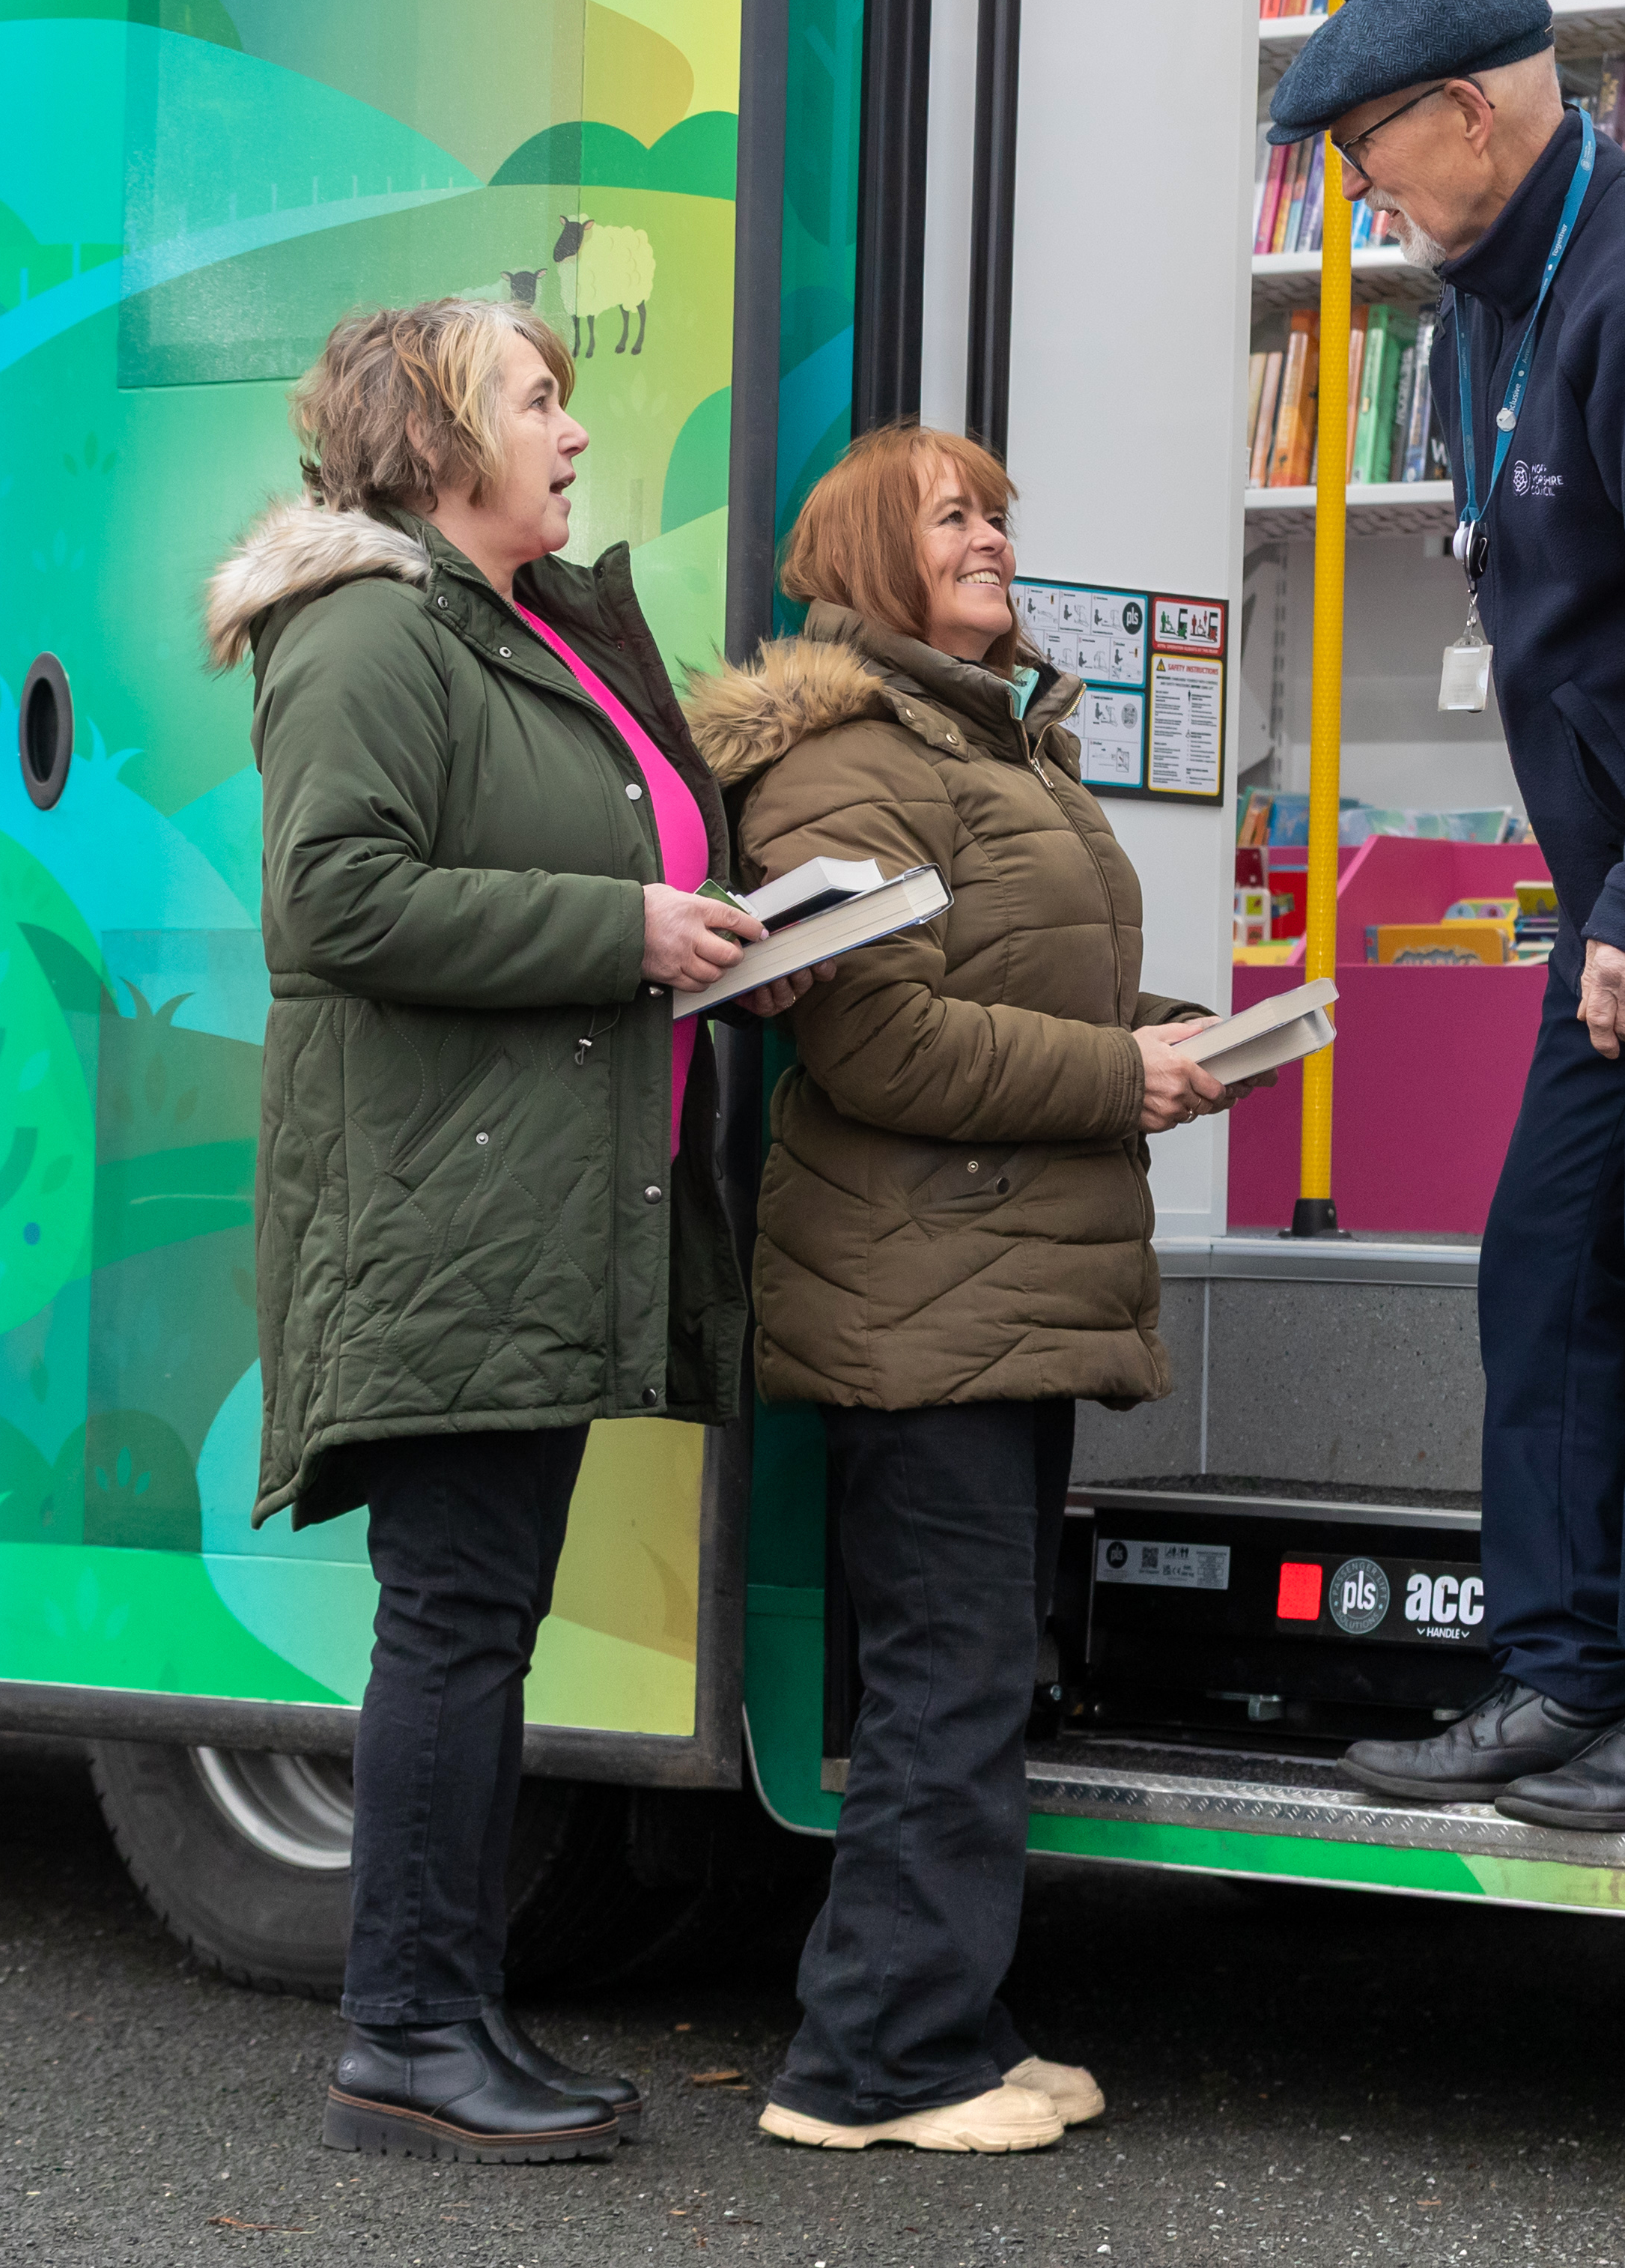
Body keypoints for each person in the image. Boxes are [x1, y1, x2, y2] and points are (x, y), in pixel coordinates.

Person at [202, 297, 762, 2163]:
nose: (575, 437)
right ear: (438, 440)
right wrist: (625, 931)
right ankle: (409, 2034)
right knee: (455, 1627)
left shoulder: (511, 626)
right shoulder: (364, 627)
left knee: (479, 1622)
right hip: (446, 1214)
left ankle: (442, 2020)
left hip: (524, 1210)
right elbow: (338, 905)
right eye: (540, 402)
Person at [1271, 0, 1625, 1834]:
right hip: (1614, 897)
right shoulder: (1472, 320)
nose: (1365, 194)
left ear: (1474, 116)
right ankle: (1563, 1669)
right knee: (1546, 1269)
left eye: (1372, 153)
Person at [684, 425, 1231, 2154]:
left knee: (978, 1667)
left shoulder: (993, 742)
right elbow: (878, 1039)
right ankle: (871, 2067)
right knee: (947, 1671)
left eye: (999, 513)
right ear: (869, 556)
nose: (994, 538)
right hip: (919, 1289)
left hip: (998, 1273)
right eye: (955, 517)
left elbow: (1014, 998)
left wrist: (1169, 1049)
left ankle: (957, 2023)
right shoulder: (842, 757)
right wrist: (1113, 1081)